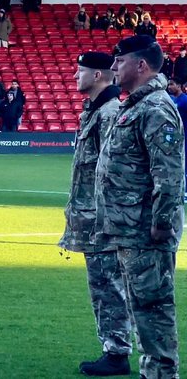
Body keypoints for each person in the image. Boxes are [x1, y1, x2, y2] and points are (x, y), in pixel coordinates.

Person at [92, 35, 185, 377]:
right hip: (130, 229)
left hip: (147, 231)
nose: (114, 67)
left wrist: (161, 223)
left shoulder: (155, 108)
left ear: (141, 65)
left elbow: (169, 174)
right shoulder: (134, 106)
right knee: (141, 310)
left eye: (120, 61)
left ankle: (161, 374)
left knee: (153, 311)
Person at [59, 52, 130, 376]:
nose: (76, 76)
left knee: (109, 287)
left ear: (98, 75)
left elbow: (114, 170)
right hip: (93, 219)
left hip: (104, 221)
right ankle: (114, 349)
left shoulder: (109, 113)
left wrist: (110, 217)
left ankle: (117, 353)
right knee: (102, 286)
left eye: (81, 71)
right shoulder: (95, 111)